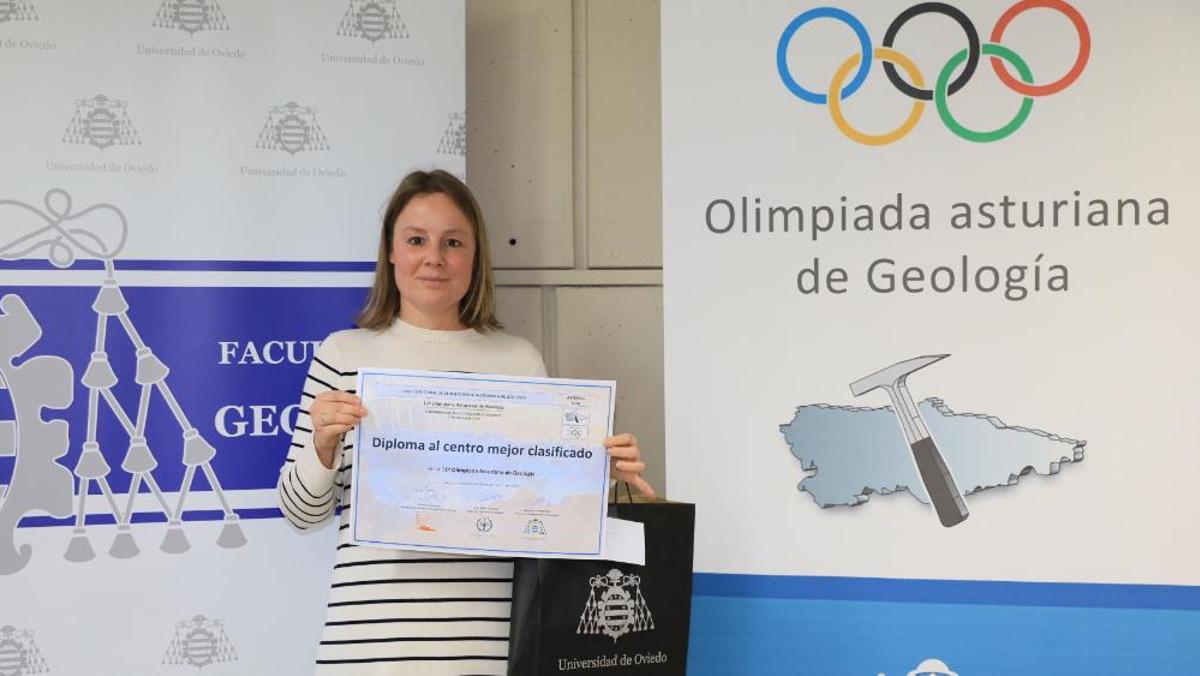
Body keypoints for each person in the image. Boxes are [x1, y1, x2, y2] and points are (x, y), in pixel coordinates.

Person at [276, 169, 655, 674]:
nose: (434, 257)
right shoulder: (343, 355)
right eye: (416, 240)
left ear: (475, 258)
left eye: (452, 242)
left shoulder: (518, 360)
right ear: (391, 252)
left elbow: (543, 513)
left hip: (491, 649)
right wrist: (321, 446)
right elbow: (301, 514)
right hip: (370, 649)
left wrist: (593, 475)